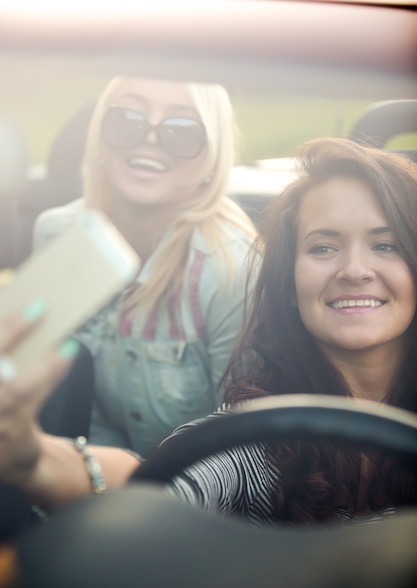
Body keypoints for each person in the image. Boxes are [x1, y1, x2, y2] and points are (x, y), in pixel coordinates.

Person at [1, 137, 416, 524]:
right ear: (289, 282)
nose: (355, 271)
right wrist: (35, 460)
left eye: (386, 245)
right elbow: (152, 488)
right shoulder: (252, 439)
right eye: (322, 247)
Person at [32, 75, 257, 457]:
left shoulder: (233, 269)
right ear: (99, 140)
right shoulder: (57, 234)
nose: (150, 138)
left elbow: (238, 449)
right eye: (126, 119)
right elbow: (55, 404)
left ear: (212, 156)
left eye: (182, 129)